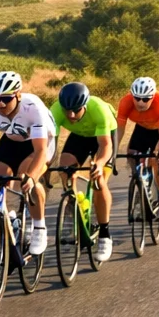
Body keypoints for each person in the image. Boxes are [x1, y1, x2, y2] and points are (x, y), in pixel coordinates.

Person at [0, 70, 55, 256]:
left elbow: (40, 151)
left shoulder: (33, 107)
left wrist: (33, 176)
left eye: (6, 98)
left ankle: (39, 228)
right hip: (12, 140)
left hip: (40, 143)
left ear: (18, 95)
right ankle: (4, 220)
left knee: (26, 177)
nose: (1, 104)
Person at [49, 81, 116, 262]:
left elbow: (105, 145)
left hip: (102, 137)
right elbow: (50, 145)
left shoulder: (99, 110)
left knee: (98, 179)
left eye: (76, 110)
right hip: (78, 137)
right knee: (65, 167)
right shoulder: (55, 110)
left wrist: (100, 164)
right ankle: (74, 205)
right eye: (66, 110)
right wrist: (46, 166)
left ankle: (104, 234)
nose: (70, 115)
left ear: (84, 105)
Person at [116, 76, 159, 221]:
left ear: (153, 96)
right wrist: (112, 153)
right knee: (131, 154)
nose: (140, 102)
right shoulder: (125, 102)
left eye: (145, 99)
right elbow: (119, 131)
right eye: (137, 98)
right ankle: (140, 180)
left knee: (158, 160)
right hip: (143, 127)